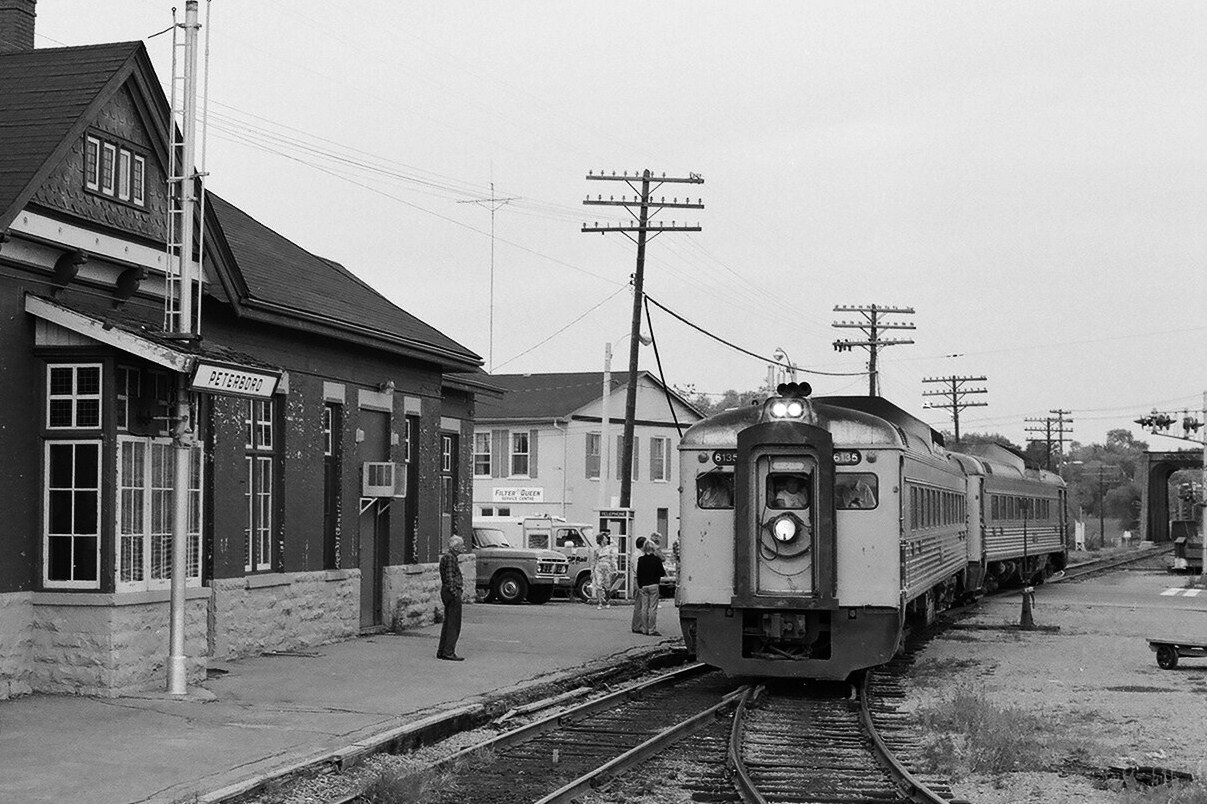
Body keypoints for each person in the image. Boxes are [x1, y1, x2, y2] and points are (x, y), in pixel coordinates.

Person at [437, 535, 466, 661]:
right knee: (454, 623)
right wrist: (455, 593)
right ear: (455, 547)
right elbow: (449, 578)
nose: (464, 547)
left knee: (448, 622)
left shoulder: (449, 557)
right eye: (461, 545)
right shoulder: (450, 558)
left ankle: (442, 651)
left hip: (447, 592)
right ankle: (448, 651)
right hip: (451, 593)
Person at [635, 535, 666, 636]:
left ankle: (644, 629)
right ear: (653, 548)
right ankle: (651, 629)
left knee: (644, 607)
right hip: (653, 585)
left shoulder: (641, 559)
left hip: (643, 586)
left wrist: (640, 585)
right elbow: (662, 573)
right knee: (652, 608)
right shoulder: (656, 560)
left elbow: (639, 573)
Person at [592, 531, 617, 609]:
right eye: (605, 538)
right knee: (598, 584)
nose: (607, 539)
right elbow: (594, 560)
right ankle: (599, 602)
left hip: (607, 567)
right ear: (601, 539)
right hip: (598, 567)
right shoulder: (596, 549)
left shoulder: (610, 549)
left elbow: (613, 559)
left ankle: (607, 600)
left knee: (607, 584)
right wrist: (592, 571)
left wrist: (615, 569)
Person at [630, 535, 648, 633]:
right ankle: (637, 625)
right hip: (640, 580)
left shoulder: (637, 554)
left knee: (640, 603)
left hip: (639, 579)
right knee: (640, 604)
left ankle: (638, 624)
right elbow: (638, 569)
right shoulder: (639, 555)